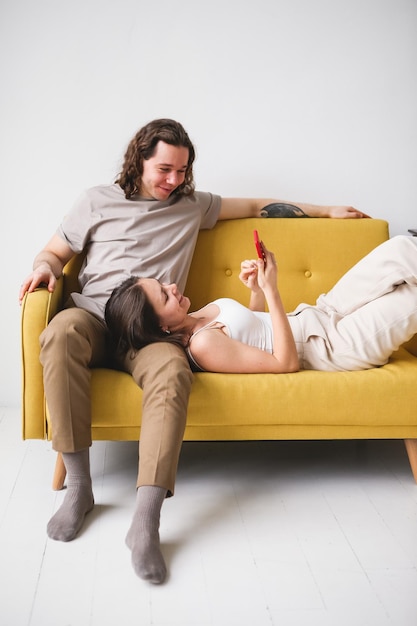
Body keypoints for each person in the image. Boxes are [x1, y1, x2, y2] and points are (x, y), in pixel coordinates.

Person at [19, 118, 368, 585]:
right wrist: (43, 269)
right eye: (165, 169)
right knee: (59, 333)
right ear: (138, 160)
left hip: (152, 330)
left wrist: (325, 212)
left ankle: (146, 520)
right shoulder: (96, 201)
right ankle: (79, 487)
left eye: (183, 171)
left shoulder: (190, 206)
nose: (174, 181)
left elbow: (260, 205)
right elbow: (53, 254)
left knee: (171, 367)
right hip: (95, 317)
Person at [105, 235, 417, 376]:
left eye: (162, 284)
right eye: (164, 296)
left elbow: (255, 331)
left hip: (320, 312)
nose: (171, 287)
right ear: (161, 326)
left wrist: (254, 289)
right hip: (332, 346)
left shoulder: (194, 317)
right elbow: (284, 363)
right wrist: (271, 290)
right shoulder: (202, 346)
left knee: (400, 249)